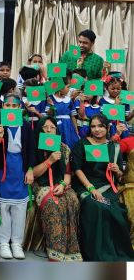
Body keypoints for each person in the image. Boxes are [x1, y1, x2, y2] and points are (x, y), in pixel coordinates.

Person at [71, 114, 134, 261]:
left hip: (107, 186)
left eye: (100, 126)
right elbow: (77, 169)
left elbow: (120, 176)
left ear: (107, 128)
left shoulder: (114, 147)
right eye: (93, 126)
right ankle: (96, 254)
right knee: (96, 206)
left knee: (116, 211)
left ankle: (116, 253)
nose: (97, 129)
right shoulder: (82, 144)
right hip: (86, 185)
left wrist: (117, 170)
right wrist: (91, 188)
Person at [24, 117, 82, 261]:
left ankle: (72, 250)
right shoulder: (34, 147)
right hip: (40, 184)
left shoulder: (64, 148)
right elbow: (34, 174)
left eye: (52, 127)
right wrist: (49, 161)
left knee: (72, 200)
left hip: (60, 183)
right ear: (39, 129)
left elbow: (67, 174)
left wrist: (63, 185)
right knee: (52, 204)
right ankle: (56, 251)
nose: (49, 130)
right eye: (45, 127)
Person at [0, 92, 35, 260]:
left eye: (15, 106)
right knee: (3, 207)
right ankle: (3, 242)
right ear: (2, 107)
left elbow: (31, 149)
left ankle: (16, 242)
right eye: (7, 105)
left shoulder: (26, 126)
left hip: (20, 169)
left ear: (20, 107)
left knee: (19, 208)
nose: (11, 108)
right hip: (3, 169)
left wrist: (30, 169)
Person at [45, 75, 79, 149]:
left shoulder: (69, 100)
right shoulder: (51, 98)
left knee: (69, 145)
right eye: (68, 87)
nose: (69, 89)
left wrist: (76, 130)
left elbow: (73, 116)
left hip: (68, 127)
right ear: (60, 88)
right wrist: (51, 106)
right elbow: (48, 115)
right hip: (56, 125)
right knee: (56, 146)